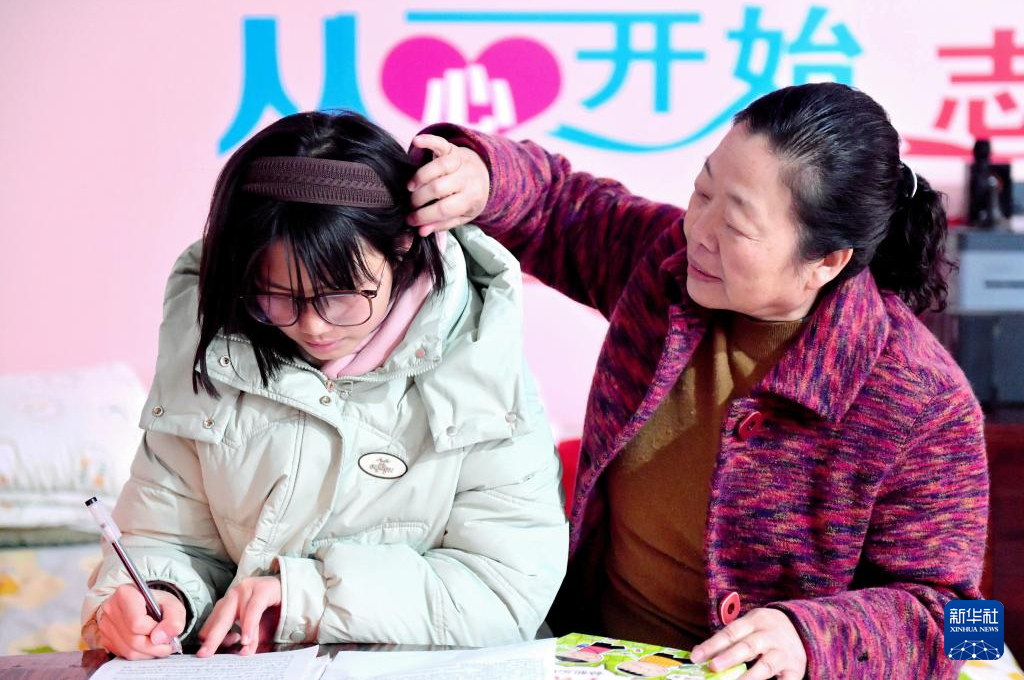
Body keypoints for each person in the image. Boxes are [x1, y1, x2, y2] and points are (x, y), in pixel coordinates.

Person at [405, 82, 988, 679]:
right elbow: (558, 204)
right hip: (582, 653)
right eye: (702, 191)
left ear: (827, 261)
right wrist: (482, 175)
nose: (697, 231)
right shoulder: (666, 267)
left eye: (736, 225)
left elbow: (964, 625)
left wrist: (810, 638)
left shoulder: (922, 399)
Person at [81, 111, 569, 659]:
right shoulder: (208, 348)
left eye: (340, 295)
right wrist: (159, 597)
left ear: (403, 248)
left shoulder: (480, 363)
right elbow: (165, 537)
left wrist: (310, 597)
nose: (312, 326)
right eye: (275, 296)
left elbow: (504, 589)